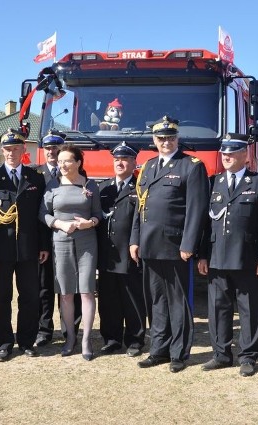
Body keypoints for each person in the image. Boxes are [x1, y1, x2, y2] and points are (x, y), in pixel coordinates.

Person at [130, 115, 209, 373]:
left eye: (171, 138)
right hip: (149, 245)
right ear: (154, 140)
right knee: (156, 301)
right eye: (161, 138)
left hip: (176, 247)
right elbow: (139, 208)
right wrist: (134, 240)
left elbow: (196, 210)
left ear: (178, 139)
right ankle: (158, 350)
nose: (166, 142)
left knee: (178, 302)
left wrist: (189, 244)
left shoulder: (191, 166)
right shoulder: (147, 167)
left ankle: (178, 353)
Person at [197, 134, 258, 377]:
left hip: (247, 258)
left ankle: (248, 356)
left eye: (232, 153)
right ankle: (221, 354)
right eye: (224, 153)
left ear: (245, 155)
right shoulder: (213, 182)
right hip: (217, 257)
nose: (226, 157)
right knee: (218, 307)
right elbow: (205, 224)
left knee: (249, 309)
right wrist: (202, 255)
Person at [0, 128, 49, 362]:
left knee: (30, 297)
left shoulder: (36, 178)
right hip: (1, 250)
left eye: (16, 148)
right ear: (2, 151)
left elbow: (40, 216)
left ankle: (26, 341)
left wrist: (43, 245)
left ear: (24, 150)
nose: (12, 152)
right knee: (1, 298)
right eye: (7, 149)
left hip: (29, 248)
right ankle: (3, 342)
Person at [39, 145, 101, 361]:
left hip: (86, 243)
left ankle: (86, 339)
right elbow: (42, 214)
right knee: (65, 293)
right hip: (61, 242)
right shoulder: (52, 186)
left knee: (86, 291)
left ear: (78, 163)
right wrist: (59, 224)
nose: (62, 165)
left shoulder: (90, 185)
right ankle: (70, 337)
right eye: (60, 161)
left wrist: (89, 223)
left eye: (67, 161)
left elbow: (98, 214)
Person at [97, 142, 146, 357]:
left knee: (133, 298)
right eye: (117, 159)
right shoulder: (103, 188)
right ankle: (112, 339)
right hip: (107, 254)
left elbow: (142, 221)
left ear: (135, 162)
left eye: (125, 159)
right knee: (108, 300)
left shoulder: (140, 188)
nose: (120, 163)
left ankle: (135, 340)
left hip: (129, 254)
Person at [35, 130, 82, 346]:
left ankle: (70, 328)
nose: (52, 152)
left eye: (56, 148)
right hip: (45, 241)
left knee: (71, 286)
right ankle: (44, 330)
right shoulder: (35, 175)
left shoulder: (77, 174)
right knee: (44, 287)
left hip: (72, 240)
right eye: (48, 148)